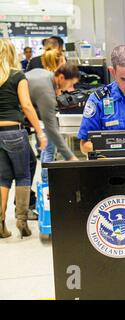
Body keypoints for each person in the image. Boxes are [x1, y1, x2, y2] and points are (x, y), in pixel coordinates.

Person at [0, 39, 48, 239]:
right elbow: (27, 106)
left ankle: (1, 222)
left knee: (2, 178)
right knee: (23, 174)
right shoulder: (17, 75)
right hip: (14, 131)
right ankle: (22, 220)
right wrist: (40, 131)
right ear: (12, 53)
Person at [26, 54, 80, 183]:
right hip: (9, 123)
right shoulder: (46, 91)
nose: (70, 88)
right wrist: (70, 157)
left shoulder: (44, 74)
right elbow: (51, 129)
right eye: (71, 83)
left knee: (29, 163)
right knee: (23, 171)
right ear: (61, 77)